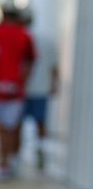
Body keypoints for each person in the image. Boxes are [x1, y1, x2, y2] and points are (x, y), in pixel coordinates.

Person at [0, 5, 37, 179]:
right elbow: (30, 61)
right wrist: (23, 80)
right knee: (9, 128)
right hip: (15, 88)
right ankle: (5, 163)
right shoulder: (24, 35)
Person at [22, 10, 59, 171]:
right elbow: (54, 67)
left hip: (23, 88)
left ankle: (15, 155)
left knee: (16, 124)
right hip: (41, 88)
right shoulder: (46, 40)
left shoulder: (23, 38)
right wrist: (53, 84)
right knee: (40, 122)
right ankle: (40, 148)